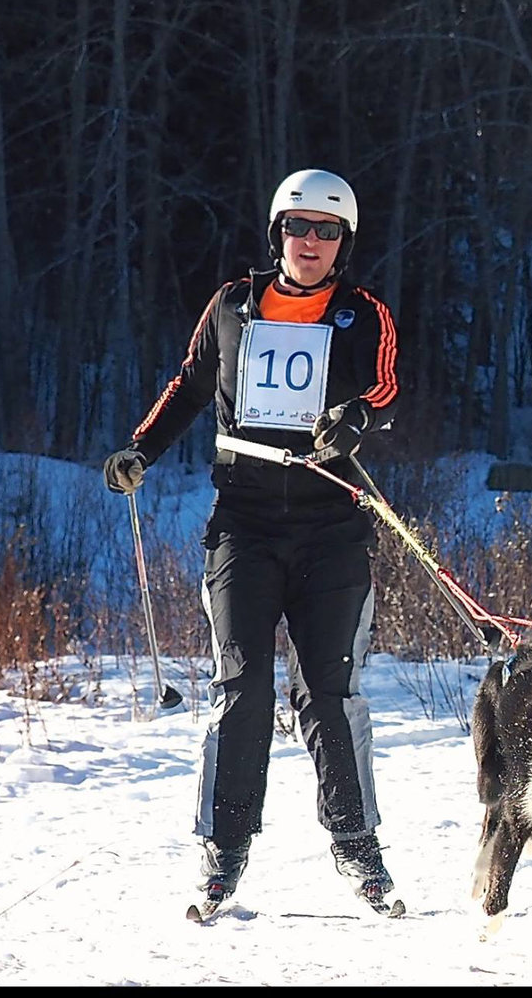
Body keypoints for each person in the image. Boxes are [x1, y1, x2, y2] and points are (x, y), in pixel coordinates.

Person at [103, 169, 403, 908]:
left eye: (327, 232)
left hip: (331, 527)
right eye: (299, 227)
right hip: (244, 523)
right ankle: (224, 849)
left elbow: (388, 390)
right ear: (277, 233)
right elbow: (191, 382)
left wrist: (357, 418)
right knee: (240, 686)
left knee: (330, 690)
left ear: (344, 244)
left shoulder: (363, 315)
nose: (311, 242)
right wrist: (142, 447)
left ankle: (358, 845)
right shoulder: (233, 305)